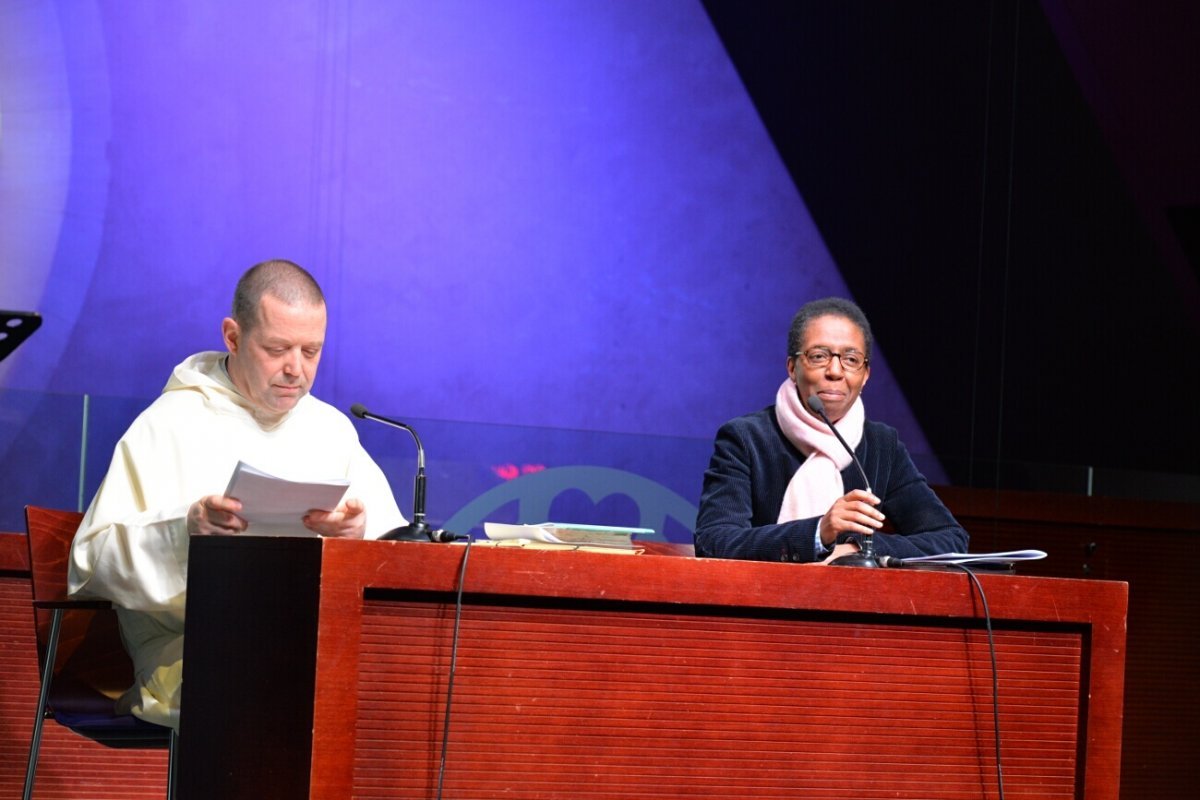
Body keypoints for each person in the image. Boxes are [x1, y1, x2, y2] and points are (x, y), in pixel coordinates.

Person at [67, 259, 405, 730]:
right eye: (277, 349)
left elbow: (397, 553)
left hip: (313, 645)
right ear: (232, 336)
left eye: (311, 351)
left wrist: (356, 534)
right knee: (297, 695)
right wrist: (185, 530)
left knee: (402, 686)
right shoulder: (172, 421)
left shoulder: (331, 430)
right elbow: (90, 562)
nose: (296, 370)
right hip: (192, 653)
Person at [694, 296, 967, 563]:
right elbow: (714, 540)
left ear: (865, 375)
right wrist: (818, 533)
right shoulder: (745, 439)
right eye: (819, 356)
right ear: (792, 367)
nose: (835, 371)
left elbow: (949, 539)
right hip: (763, 599)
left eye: (851, 359)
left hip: (855, 604)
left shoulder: (883, 446)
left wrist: (858, 548)